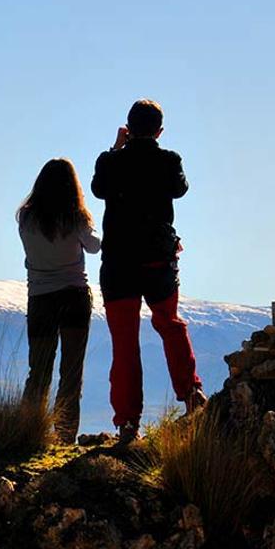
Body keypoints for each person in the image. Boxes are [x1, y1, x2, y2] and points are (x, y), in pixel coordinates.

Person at [91, 99, 207, 442]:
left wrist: (116, 149)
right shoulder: (168, 160)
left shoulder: (110, 162)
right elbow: (180, 189)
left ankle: (128, 423)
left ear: (128, 126)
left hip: (119, 264)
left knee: (124, 343)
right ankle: (192, 395)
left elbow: (99, 189)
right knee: (170, 324)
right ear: (159, 131)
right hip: (158, 260)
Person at [18, 157, 100, 442]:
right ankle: (64, 437)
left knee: (38, 370)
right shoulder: (76, 218)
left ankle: (28, 433)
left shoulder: (26, 218)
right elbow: (94, 247)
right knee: (71, 372)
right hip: (74, 296)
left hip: (40, 298)